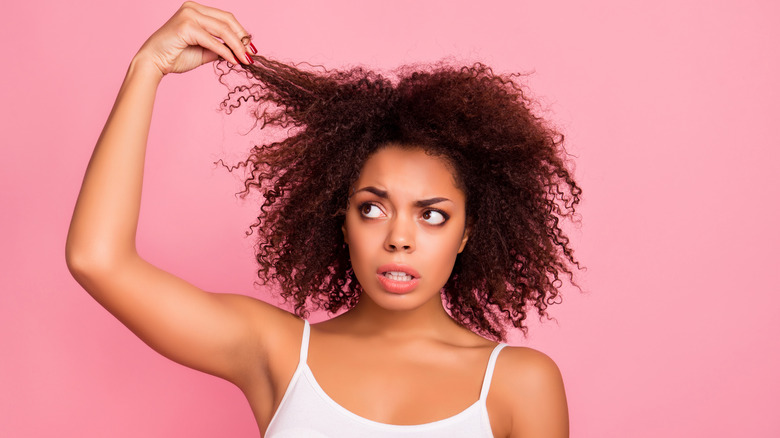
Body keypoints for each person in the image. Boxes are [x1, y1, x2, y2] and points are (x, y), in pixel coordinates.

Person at [66, 2, 580, 437]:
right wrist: (147, 67)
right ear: (341, 218)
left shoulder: (519, 383)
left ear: (467, 232)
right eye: (373, 209)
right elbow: (97, 259)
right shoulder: (279, 354)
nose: (399, 238)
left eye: (432, 215)